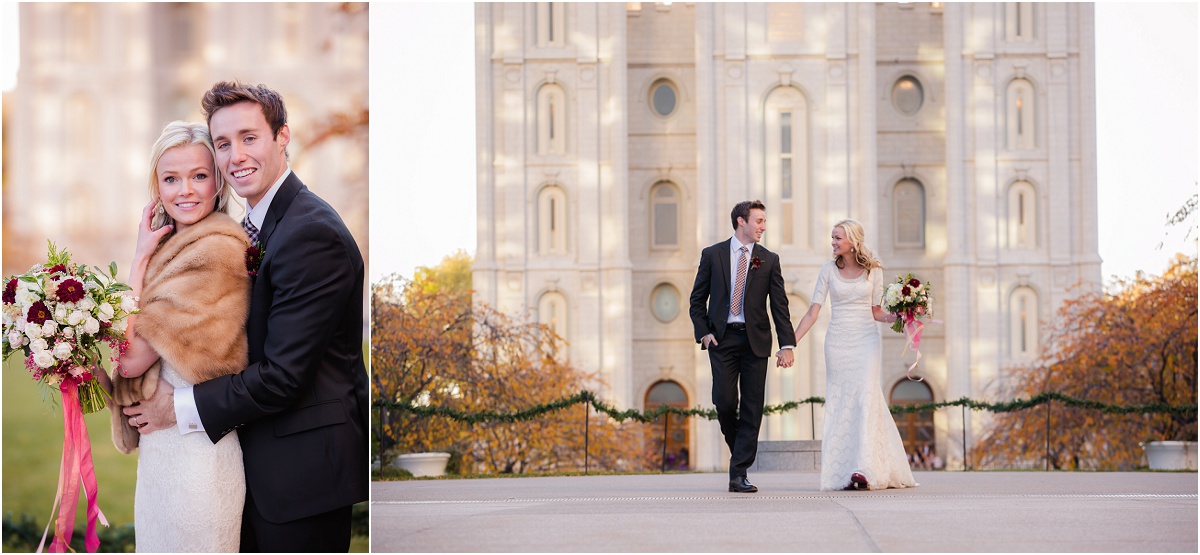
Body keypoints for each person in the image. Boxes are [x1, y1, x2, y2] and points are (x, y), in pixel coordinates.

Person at [122, 81, 369, 552]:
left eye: (249, 138)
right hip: (261, 464)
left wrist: (173, 407)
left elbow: (283, 377)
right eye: (223, 143)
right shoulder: (259, 225)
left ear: (283, 137)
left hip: (303, 477)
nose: (236, 155)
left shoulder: (310, 232)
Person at [104, 120, 251, 552]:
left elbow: (129, 358)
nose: (185, 190)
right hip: (163, 453)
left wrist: (137, 261)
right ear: (157, 187)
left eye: (199, 176)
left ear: (218, 183)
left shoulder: (213, 251)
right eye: (171, 178)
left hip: (197, 461)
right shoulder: (177, 246)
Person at [792, 219, 917, 491]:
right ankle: (844, 470)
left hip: (866, 341)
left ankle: (864, 468)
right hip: (837, 342)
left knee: (864, 397)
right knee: (840, 402)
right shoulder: (827, 271)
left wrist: (902, 317)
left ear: (853, 241)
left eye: (838, 238)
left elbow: (877, 312)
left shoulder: (874, 271)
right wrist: (790, 343)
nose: (833, 242)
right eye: (832, 237)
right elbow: (813, 311)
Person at [689, 200, 795, 493]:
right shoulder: (713, 255)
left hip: (755, 341)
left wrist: (787, 345)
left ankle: (738, 473)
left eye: (764, 221)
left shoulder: (768, 259)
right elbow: (697, 300)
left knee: (751, 407)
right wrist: (704, 334)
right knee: (723, 402)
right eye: (759, 221)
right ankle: (740, 452)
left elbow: (780, 306)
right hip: (721, 340)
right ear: (741, 221)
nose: (763, 227)